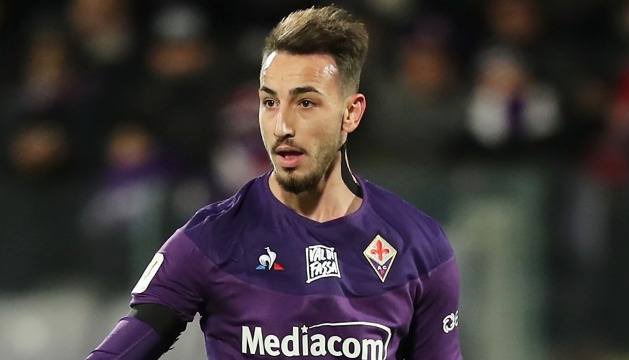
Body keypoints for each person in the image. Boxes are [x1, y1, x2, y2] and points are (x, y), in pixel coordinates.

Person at [86, 5, 462, 359]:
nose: (282, 127)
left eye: (306, 103)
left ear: (351, 113)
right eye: (269, 102)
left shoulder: (419, 248)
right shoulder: (211, 240)